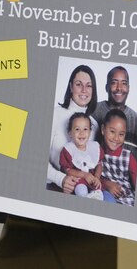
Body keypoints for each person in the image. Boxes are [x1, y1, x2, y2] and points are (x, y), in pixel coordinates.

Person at [47, 64, 99, 193]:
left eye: (89, 85)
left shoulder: (95, 125)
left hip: (84, 190)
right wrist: (61, 179)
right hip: (53, 188)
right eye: (78, 84)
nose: (84, 90)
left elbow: (95, 164)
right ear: (71, 87)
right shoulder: (54, 114)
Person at [92, 65, 137, 159]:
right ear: (107, 87)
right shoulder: (93, 111)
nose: (119, 88)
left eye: (124, 83)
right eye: (114, 83)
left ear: (128, 88)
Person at [98, 109, 137, 206]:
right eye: (112, 131)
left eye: (121, 134)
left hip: (127, 199)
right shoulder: (96, 151)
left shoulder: (128, 157)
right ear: (103, 130)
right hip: (105, 194)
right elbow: (91, 177)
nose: (116, 138)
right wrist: (106, 184)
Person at [58, 112, 102, 199]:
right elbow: (67, 170)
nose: (81, 133)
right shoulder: (68, 150)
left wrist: (97, 177)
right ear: (70, 133)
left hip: (93, 180)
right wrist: (85, 175)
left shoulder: (95, 147)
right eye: (77, 129)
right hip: (79, 180)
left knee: (99, 191)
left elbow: (99, 164)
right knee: (81, 191)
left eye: (85, 129)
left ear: (90, 132)